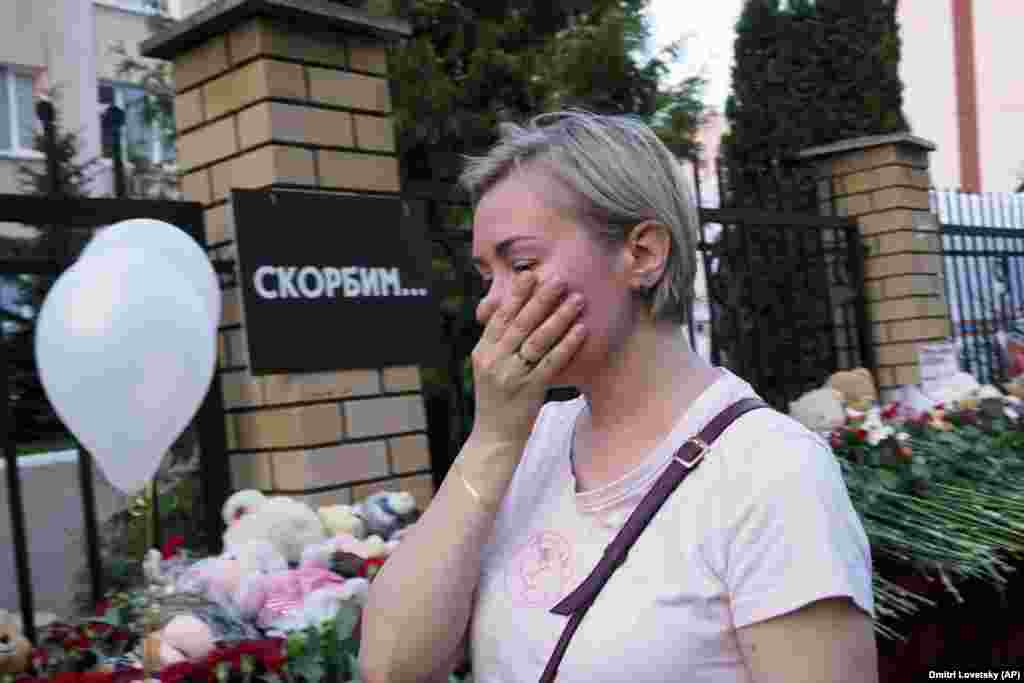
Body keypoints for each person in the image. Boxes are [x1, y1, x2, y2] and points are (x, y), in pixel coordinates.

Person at [359, 111, 877, 683]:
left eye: (522, 263)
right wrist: (493, 437)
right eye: (487, 274)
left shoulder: (772, 472)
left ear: (643, 254)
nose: (490, 304)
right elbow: (389, 669)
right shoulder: (528, 445)